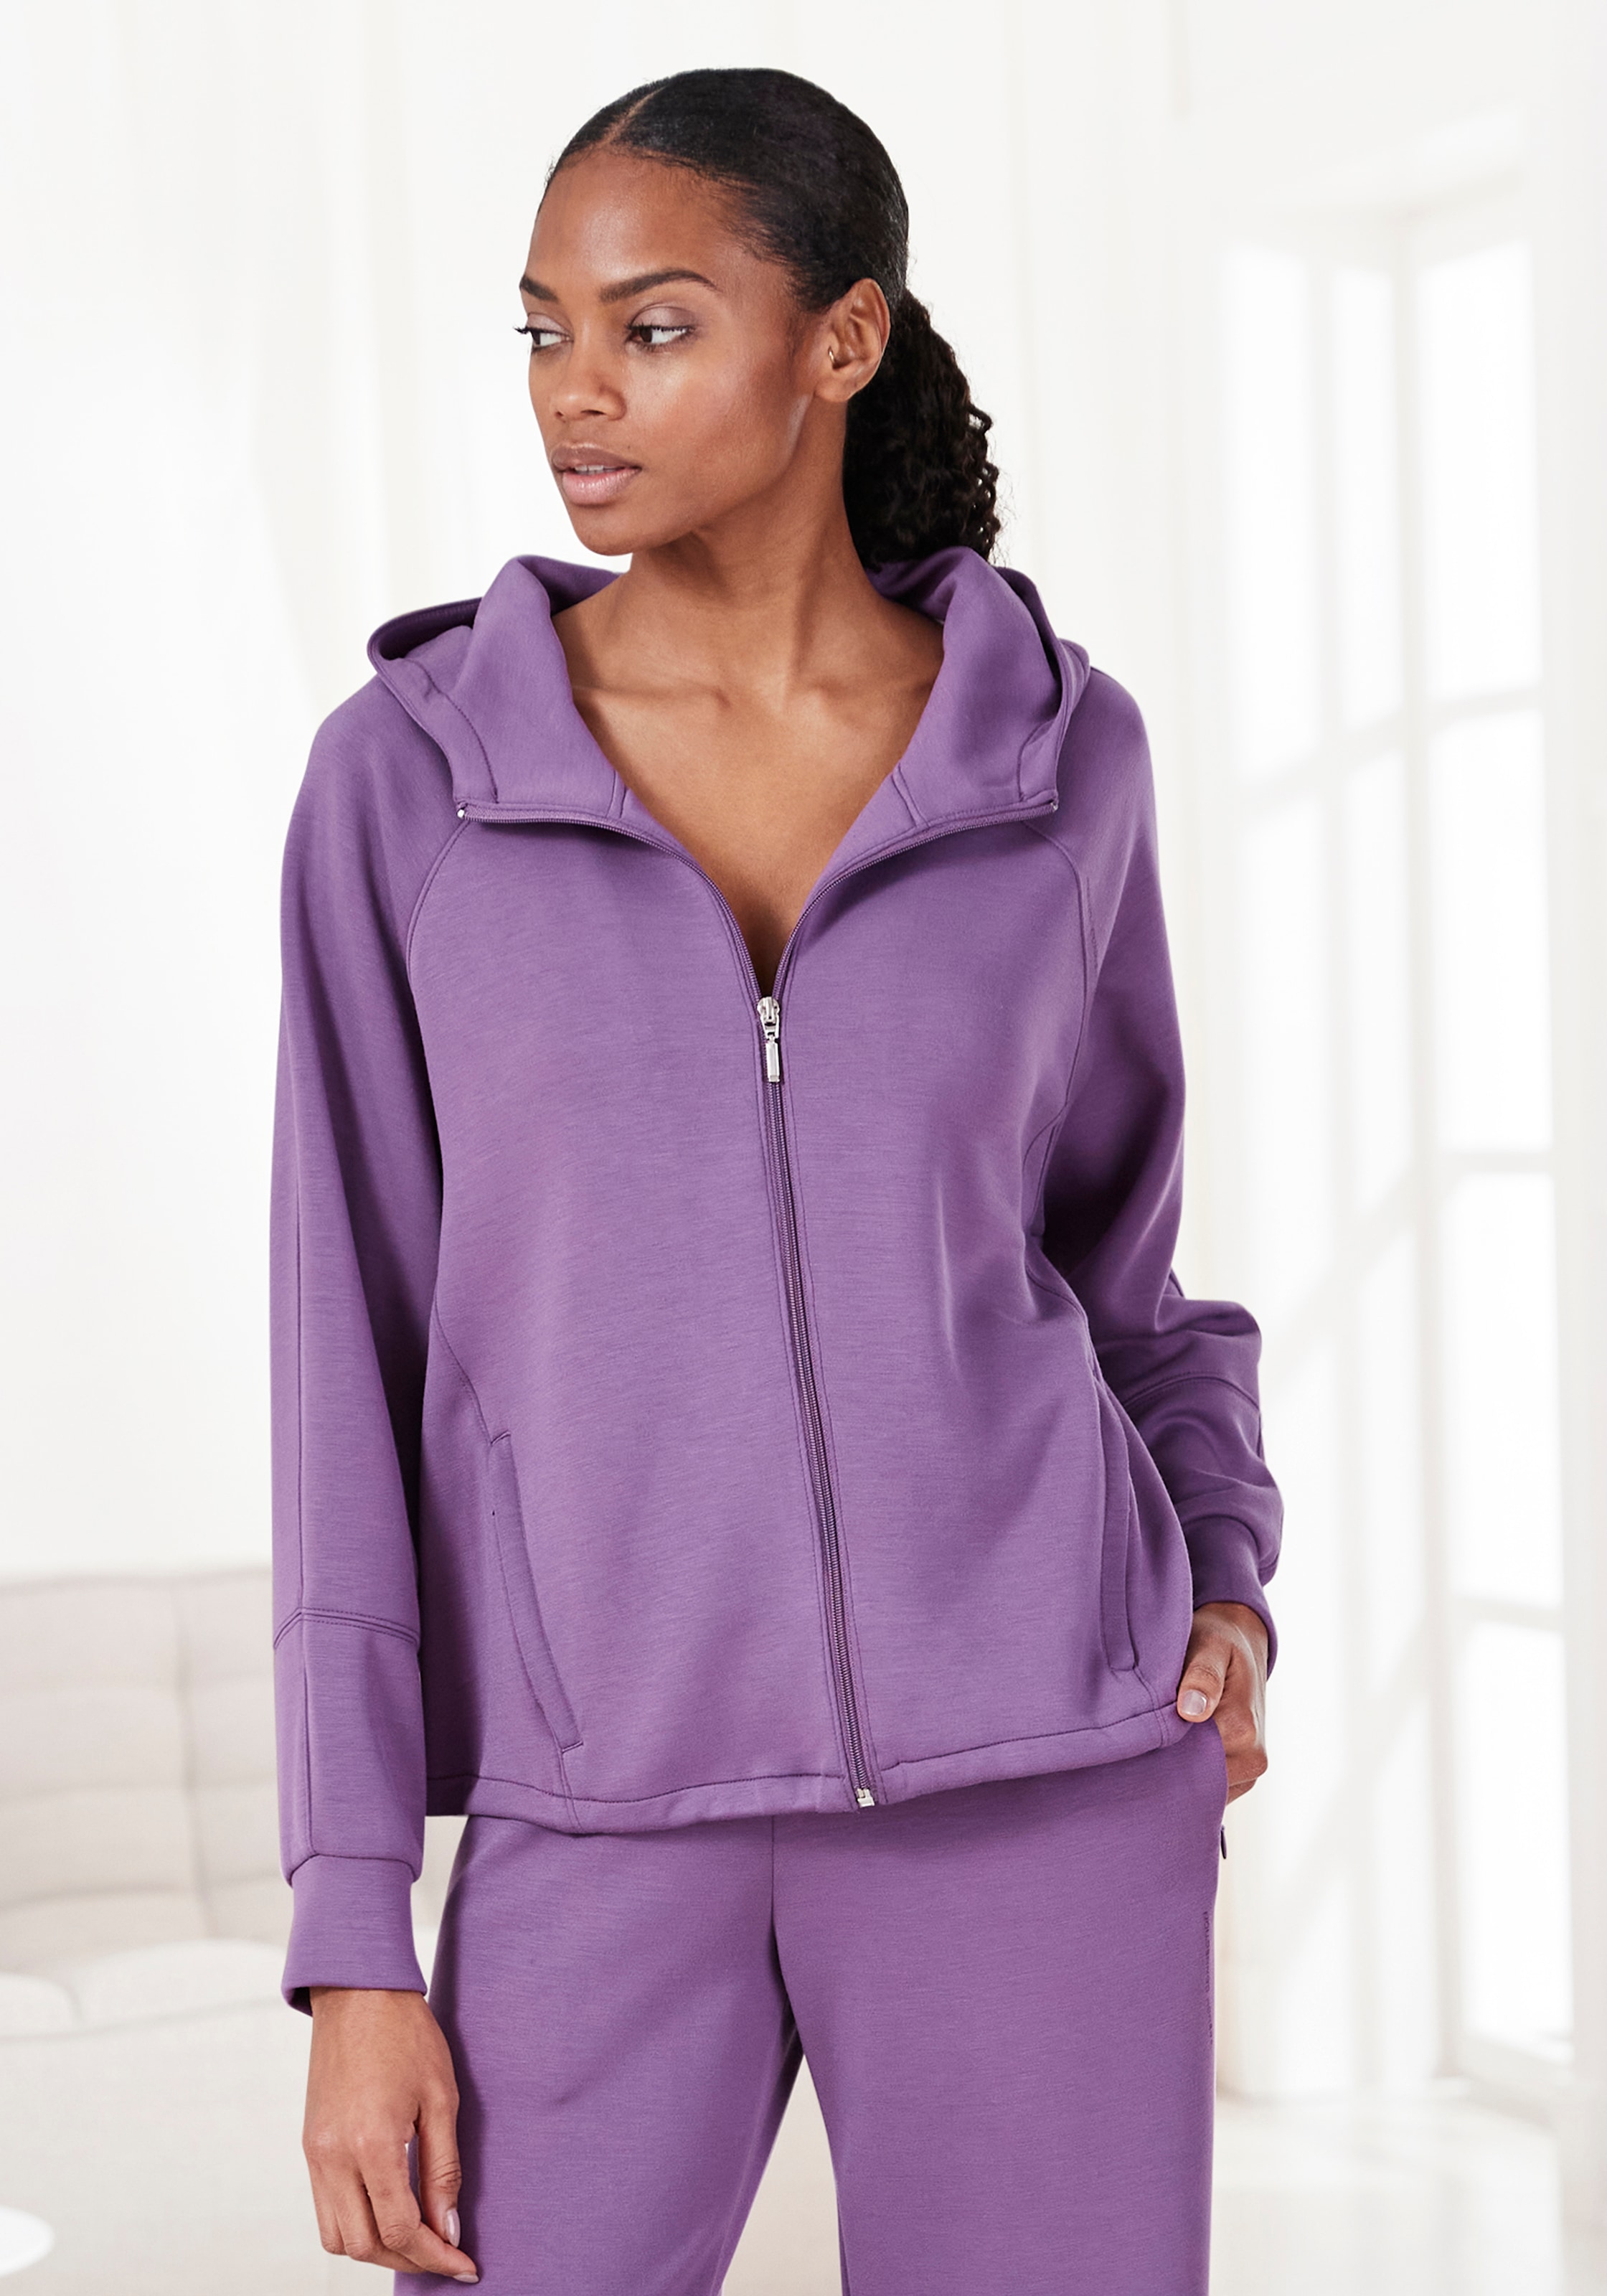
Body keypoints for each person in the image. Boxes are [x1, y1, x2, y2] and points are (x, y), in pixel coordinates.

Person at [270, 65, 1281, 2296]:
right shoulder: (413, 786)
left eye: (653, 327)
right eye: (544, 329)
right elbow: (346, 1358)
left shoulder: (1053, 755)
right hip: (600, 1809)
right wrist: (354, 1936)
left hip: (1049, 1787)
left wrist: (1224, 1571)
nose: (575, 391)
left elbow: (1122, 1269)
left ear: (843, 339)